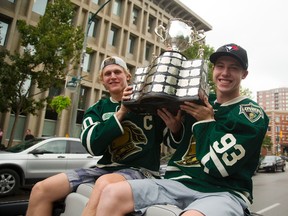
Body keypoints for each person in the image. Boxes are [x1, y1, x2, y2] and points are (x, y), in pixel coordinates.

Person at [93, 43, 269, 216]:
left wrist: (207, 121)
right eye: (220, 66)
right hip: (177, 183)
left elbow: (219, 166)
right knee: (111, 193)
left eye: (233, 68)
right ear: (213, 70)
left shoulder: (249, 113)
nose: (225, 73)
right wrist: (176, 129)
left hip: (222, 191)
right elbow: (174, 135)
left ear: (244, 74)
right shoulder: (198, 99)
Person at [26, 56, 182, 216]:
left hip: (141, 170)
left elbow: (172, 141)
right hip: (104, 169)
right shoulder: (97, 109)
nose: (112, 76)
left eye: (117, 72)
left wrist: (175, 128)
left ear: (128, 76)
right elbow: (93, 146)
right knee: (40, 189)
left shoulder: (149, 102)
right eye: (107, 74)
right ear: (102, 80)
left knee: (104, 183)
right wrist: (121, 112)